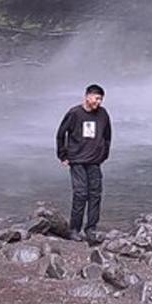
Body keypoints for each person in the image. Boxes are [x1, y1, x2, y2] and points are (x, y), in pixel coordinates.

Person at [55, 84, 111, 242]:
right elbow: (61, 134)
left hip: (94, 161)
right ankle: (74, 229)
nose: (98, 102)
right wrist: (62, 155)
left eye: (101, 99)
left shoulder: (103, 114)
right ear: (87, 96)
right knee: (80, 194)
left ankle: (91, 229)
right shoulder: (74, 113)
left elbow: (107, 135)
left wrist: (104, 154)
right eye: (96, 98)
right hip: (77, 160)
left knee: (95, 194)